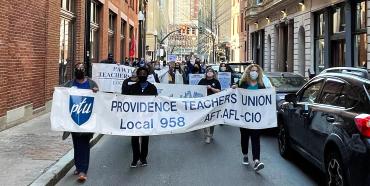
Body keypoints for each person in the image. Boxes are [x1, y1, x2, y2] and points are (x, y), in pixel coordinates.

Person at [62, 63, 99, 182]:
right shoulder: (70, 84)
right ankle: (78, 167)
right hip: (74, 120)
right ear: (74, 71)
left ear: (85, 71)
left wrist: (96, 92)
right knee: (76, 144)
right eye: (77, 69)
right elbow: (61, 92)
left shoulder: (91, 83)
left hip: (87, 120)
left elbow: (99, 99)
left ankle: (83, 171)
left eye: (82, 69)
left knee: (84, 145)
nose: (79, 70)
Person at [232, 64, 265, 172]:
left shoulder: (261, 85)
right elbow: (234, 92)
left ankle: (256, 160)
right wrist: (234, 88)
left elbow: (265, 99)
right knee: (244, 137)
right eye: (252, 70)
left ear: (258, 73)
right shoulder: (242, 83)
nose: (254, 72)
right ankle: (245, 154)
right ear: (248, 72)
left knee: (256, 138)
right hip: (244, 116)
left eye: (256, 71)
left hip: (256, 117)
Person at [124, 67, 158, 168]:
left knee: (145, 139)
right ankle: (135, 159)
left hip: (147, 118)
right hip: (135, 118)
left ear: (147, 75)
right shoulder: (133, 88)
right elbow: (126, 100)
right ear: (138, 75)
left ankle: (143, 158)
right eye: (141, 73)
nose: (142, 75)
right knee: (134, 139)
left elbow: (156, 102)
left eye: (144, 73)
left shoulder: (152, 88)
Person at [198, 68, 221, 144]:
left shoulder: (216, 81)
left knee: (211, 119)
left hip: (213, 103)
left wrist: (211, 88)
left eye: (211, 71)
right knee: (204, 119)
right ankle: (207, 135)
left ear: (213, 73)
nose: (209, 73)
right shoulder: (202, 81)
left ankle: (211, 133)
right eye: (208, 71)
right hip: (204, 103)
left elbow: (219, 91)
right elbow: (197, 90)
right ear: (206, 73)